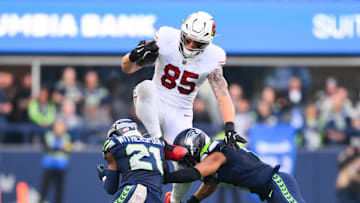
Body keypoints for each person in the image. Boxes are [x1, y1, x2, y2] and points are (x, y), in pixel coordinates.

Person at [121, 11, 246, 203]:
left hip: (180, 113)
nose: (190, 46)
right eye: (188, 39)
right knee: (145, 87)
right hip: (153, 102)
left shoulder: (213, 57)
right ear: (182, 32)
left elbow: (222, 95)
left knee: (187, 160)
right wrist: (132, 56)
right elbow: (127, 68)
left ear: (208, 43)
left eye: (197, 43)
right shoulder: (166, 38)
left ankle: (174, 200)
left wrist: (230, 127)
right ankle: (158, 142)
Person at [163, 127, 306, 203]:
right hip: (268, 191)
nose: (185, 163)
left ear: (196, 147)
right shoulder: (212, 162)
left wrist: (164, 177)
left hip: (276, 183)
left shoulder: (217, 152)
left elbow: (194, 173)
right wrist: (192, 201)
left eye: (186, 158)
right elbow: (211, 183)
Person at [96, 118, 187, 203]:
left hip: (135, 190)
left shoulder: (115, 142)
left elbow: (111, 188)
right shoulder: (158, 143)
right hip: (155, 196)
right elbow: (165, 177)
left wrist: (105, 176)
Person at [39, 120, 72, 203]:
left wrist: (56, 149)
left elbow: (67, 149)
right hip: (49, 166)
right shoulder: (49, 136)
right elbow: (47, 148)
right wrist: (59, 148)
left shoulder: (67, 137)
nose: (59, 129)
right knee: (44, 190)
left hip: (61, 167)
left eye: (61, 127)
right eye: (58, 127)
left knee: (59, 191)